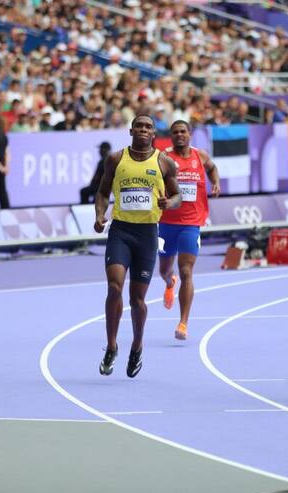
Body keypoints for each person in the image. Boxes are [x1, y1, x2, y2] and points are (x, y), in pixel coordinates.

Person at [94, 115, 181, 378]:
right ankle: (111, 346)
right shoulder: (116, 159)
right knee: (114, 287)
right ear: (131, 130)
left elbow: (177, 195)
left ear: (154, 133)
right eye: (139, 126)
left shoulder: (164, 162)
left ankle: (136, 345)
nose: (143, 130)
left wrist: (170, 203)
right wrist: (100, 215)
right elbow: (102, 192)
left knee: (137, 299)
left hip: (147, 234)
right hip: (121, 230)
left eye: (148, 127)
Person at [158, 120, 220, 340]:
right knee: (165, 270)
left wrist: (216, 183)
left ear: (190, 134)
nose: (179, 135)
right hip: (166, 224)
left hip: (191, 223)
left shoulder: (200, 156)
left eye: (182, 131)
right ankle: (169, 282)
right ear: (171, 136)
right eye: (175, 132)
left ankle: (183, 323)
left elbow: (212, 168)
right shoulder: (163, 157)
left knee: (186, 271)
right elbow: (153, 180)